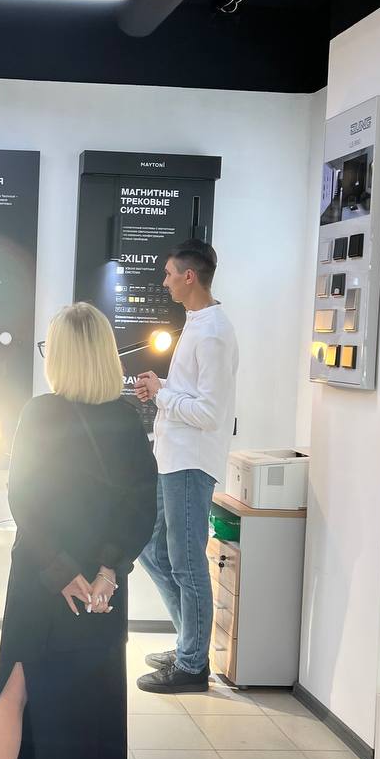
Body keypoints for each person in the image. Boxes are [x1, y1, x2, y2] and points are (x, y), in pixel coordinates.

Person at [0, 302, 157, 759]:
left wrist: (61, 571)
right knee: (86, 697)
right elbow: (139, 507)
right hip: (101, 590)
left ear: (60, 356)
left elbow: (25, 500)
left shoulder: (40, 413)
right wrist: (108, 572)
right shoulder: (126, 420)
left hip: (42, 580)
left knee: (15, 687)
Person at [134, 239, 239, 694]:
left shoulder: (213, 332)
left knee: (187, 562)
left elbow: (209, 414)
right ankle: (188, 646)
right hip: (172, 458)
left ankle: (193, 664)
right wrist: (161, 390)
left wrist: (162, 394)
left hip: (191, 463)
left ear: (189, 276)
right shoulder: (197, 324)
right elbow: (190, 398)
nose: (165, 282)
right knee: (151, 549)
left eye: (169, 274)